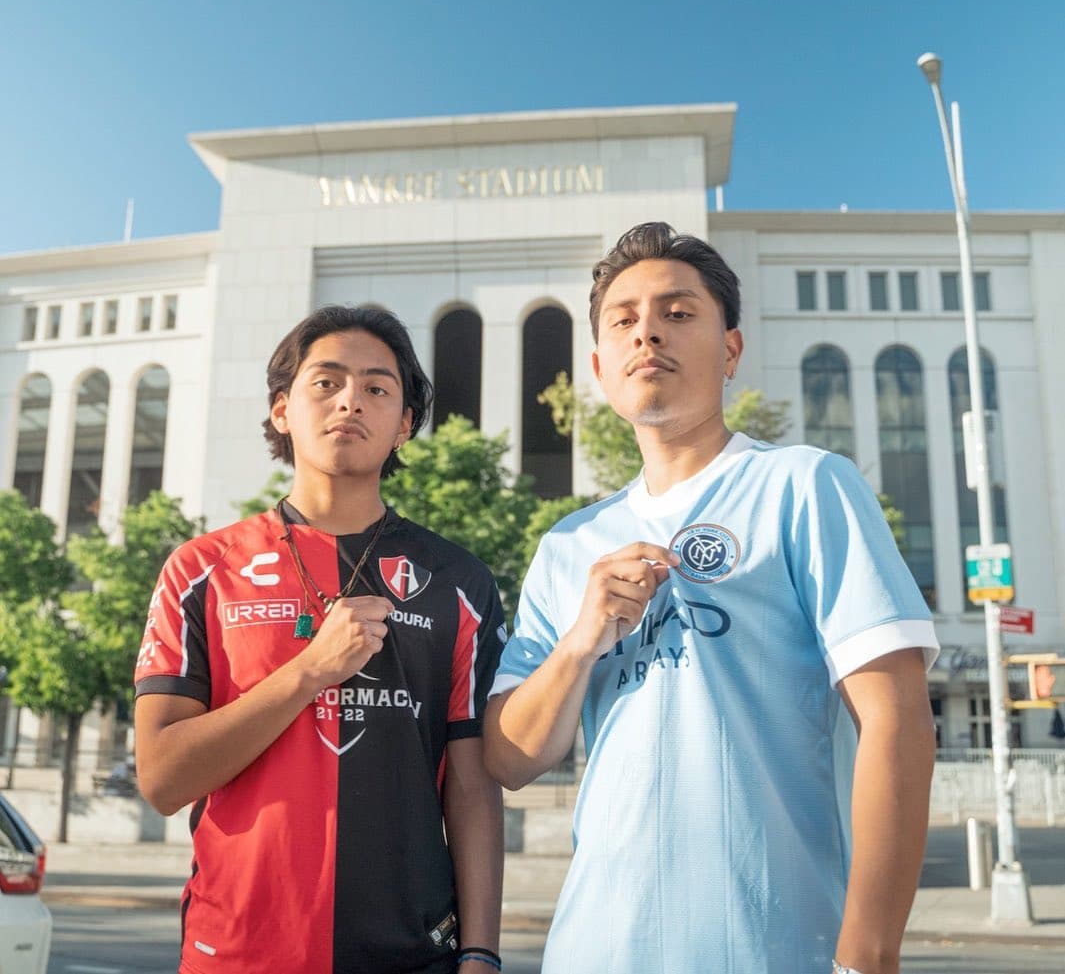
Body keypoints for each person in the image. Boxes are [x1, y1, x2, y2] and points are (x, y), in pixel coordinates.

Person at [483, 223, 940, 974]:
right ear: (599, 368)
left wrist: (867, 955)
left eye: (677, 312)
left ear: (730, 350)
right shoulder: (569, 544)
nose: (647, 332)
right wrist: (580, 641)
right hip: (594, 949)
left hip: (776, 947)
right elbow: (507, 757)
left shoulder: (803, 484)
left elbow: (897, 717)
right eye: (623, 320)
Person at [134, 305, 506, 974]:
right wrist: (309, 670)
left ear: (405, 425)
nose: (349, 401)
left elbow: (473, 786)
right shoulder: (202, 570)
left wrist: (481, 953)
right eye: (326, 382)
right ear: (282, 409)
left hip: (412, 954)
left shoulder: (459, 581)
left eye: (376, 387)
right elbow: (162, 779)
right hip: (237, 952)